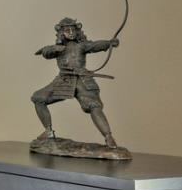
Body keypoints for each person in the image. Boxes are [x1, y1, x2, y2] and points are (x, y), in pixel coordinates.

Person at [32, 17, 120, 147]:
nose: (71, 32)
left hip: (82, 80)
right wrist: (55, 49)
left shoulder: (81, 45)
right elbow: (46, 52)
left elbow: (95, 45)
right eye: (67, 30)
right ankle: (48, 131)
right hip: (64, 80)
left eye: (73, 30)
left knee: (94, 106)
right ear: (61, 32)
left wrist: (109, 43)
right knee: (38, 97)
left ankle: (109, 137)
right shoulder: (58, 47)